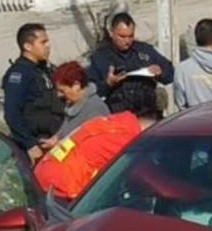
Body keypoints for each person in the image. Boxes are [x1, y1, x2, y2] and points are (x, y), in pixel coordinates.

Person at [34, 80, 163, 201]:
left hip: (43, 177)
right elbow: (152, 182)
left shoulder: (116, 122)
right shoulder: (125, 140)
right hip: (61, 192)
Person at [86, 12, 175, 113]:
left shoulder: (145, 51)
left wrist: (160, 72)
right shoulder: (100, 58)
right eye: (122, 36)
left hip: (147, 114)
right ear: (112, 33)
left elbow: (171, 74)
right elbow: (89, 92)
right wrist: (108, 83)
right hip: (118, 116)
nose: (127, 41)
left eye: (130, 36)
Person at [3, 23, 65, 163]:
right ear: (28, 47)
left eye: (47, 42)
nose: (48, 46)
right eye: (43, 42)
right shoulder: (19, 74)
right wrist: (30, 144)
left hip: (55, 139)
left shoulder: (44, 70)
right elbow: (12, 113)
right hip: (37, 145)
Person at [54, 60, 110, 138]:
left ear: (76, 85)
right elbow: (65, 130)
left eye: (62, 91)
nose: (59, 95)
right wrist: (55, 139)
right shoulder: (71, 107)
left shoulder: (95, 108)